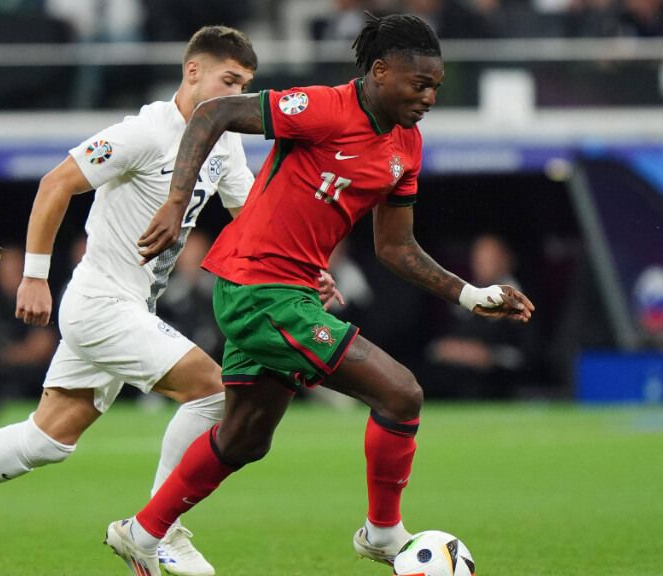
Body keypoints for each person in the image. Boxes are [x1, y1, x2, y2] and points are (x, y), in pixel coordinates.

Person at [0, 26, 340, 576]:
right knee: (212, 391)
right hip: (101, 300)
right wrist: (34, 276)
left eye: (244, 85)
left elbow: (249, 213)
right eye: (229, 80)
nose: (237, 94)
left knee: (47, 438)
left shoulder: (223, 138)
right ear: (193, 71)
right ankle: (156, 530)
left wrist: (306, 270)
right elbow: (56, 183)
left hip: (131, 306)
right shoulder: (144, 132)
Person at [105, 13, 534, 575]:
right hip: (258, 288)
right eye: (419, 84)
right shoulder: (324, 107)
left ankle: (142, 532)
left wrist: (471, 295)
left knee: (243, 438)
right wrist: (175, 200)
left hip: (293, 293)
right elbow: (212, 113)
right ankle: (383, 534)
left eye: (436, 87)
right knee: (401, 393)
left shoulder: (406, 145)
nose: (429, 97)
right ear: (380, 72)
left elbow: (395, 248)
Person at [426, 234, 534, 398]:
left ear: (507, 260)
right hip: (459, 375)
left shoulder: (521, 301)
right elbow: (446, 340)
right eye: (478, 260)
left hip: (501, 382)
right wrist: (454, 349)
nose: (482, 265)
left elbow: (528, 353)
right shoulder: (469, 296)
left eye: (489, 260)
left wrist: (490, 355)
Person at [0, 246, 57, 398]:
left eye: (13, 271)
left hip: (34, 388)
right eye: (4, 272)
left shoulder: (38, 300)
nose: (8, 277)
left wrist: (5, 355)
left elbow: (42, 347)